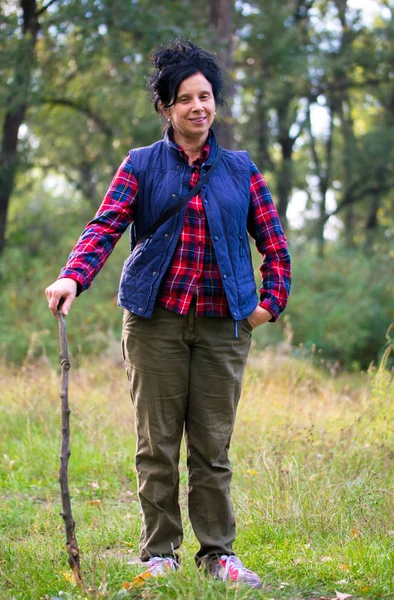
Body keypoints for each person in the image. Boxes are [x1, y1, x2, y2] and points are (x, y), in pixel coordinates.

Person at [45, 40, 291, 589]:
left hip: (223, 328)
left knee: (212, 447)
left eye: (206, 96)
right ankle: (159, 554)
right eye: (185, 99)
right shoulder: (141, 164)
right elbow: (104, 226)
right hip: (153, 321)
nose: (198, 107)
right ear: (166, 108)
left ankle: (218, 555)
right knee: (156, 444)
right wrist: (72, 275)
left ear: (215, 103)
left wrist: (266, 307)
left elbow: (275, 247)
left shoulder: (241, 171)